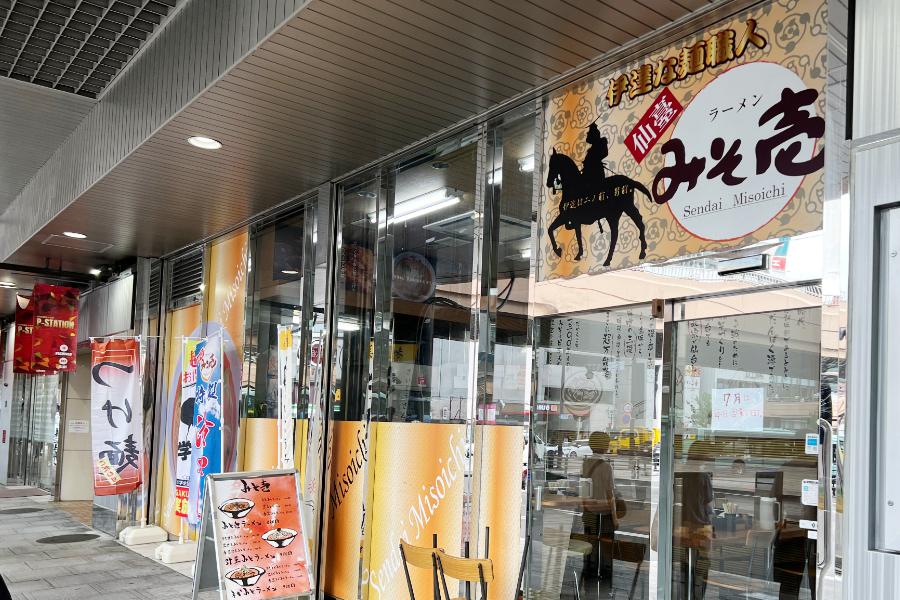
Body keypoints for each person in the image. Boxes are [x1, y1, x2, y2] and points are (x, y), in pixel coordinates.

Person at [674, 441, 715, 600]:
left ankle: (685, 595)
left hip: (681, 527)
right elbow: (708, 504)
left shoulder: (679, 473)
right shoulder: (703, 477)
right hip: (700, 528)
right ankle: (698, 596)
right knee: (703, 566)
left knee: (685, 566)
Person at [581, 431, 619, 581]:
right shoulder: (606, 466)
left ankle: (588, 574)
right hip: (603, 514)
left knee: (589, 544)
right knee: (605, 547)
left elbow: (584, 487)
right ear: (604, 446)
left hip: (589, 511)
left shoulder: (585, 463)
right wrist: (615, 518)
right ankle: (603, 576)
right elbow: (610, 495)